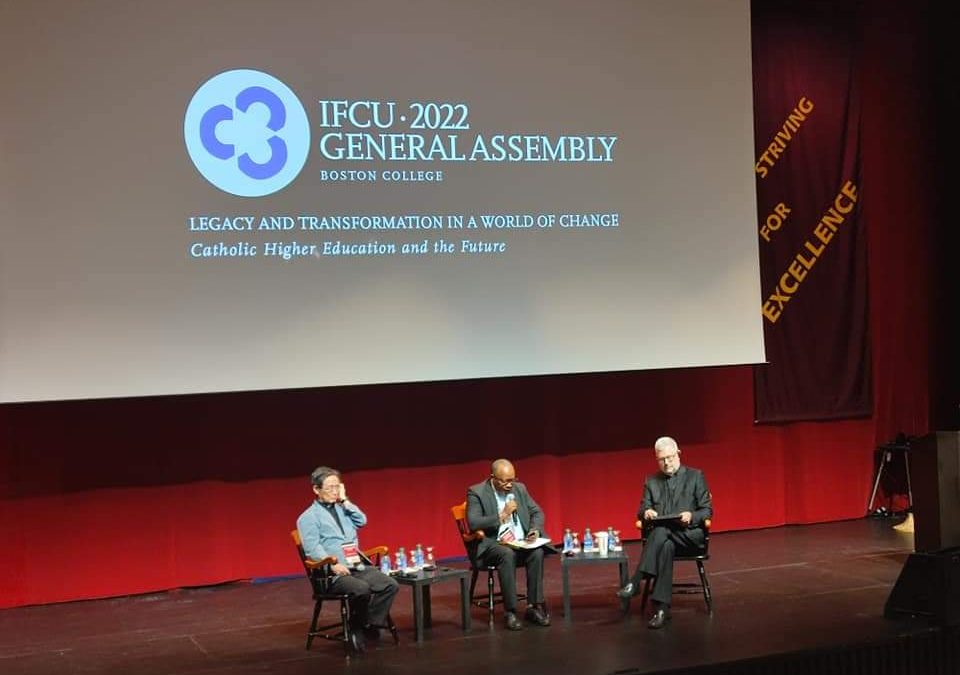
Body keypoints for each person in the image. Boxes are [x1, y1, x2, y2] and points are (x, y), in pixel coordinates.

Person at [296, 466, 399, 651]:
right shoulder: (308, 517)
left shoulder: (343, 508)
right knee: (361, 589)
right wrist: (332, 564)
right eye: (329, 488)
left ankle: (368, 623)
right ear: (316, 489)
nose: (334, 492)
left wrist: (345, 500)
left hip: (356, 565)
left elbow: (362, 521)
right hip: (331, 574)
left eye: (337, 487)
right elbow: (312, 548)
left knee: (390, 585)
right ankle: (357, 627)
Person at [617, 437, 713, 629]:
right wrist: (647, 512)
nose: (667, 463)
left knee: (661, 532)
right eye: (662, 459)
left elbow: (707, 511)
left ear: (678, 454)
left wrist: (691, 515)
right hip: (663, 542)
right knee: (665, 543)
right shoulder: (651, 481)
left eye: (669, 457)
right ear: (656, 459)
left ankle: (636, 581)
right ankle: (662, 609)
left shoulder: (695, 476)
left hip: (689, 536)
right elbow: (641, 510)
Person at [466, 459, 552, 630]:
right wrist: (502, 515)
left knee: (537, 552)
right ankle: (510, 611)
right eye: (505, 481)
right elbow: (474, 523)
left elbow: (537, 511)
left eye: (512, 480)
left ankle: (533, 607)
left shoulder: (519, 488)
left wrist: (534, 530)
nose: (509, 484)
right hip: (492, 544)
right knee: (506, 554)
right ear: (493, 478)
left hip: (518, 542)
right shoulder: (477, 492)